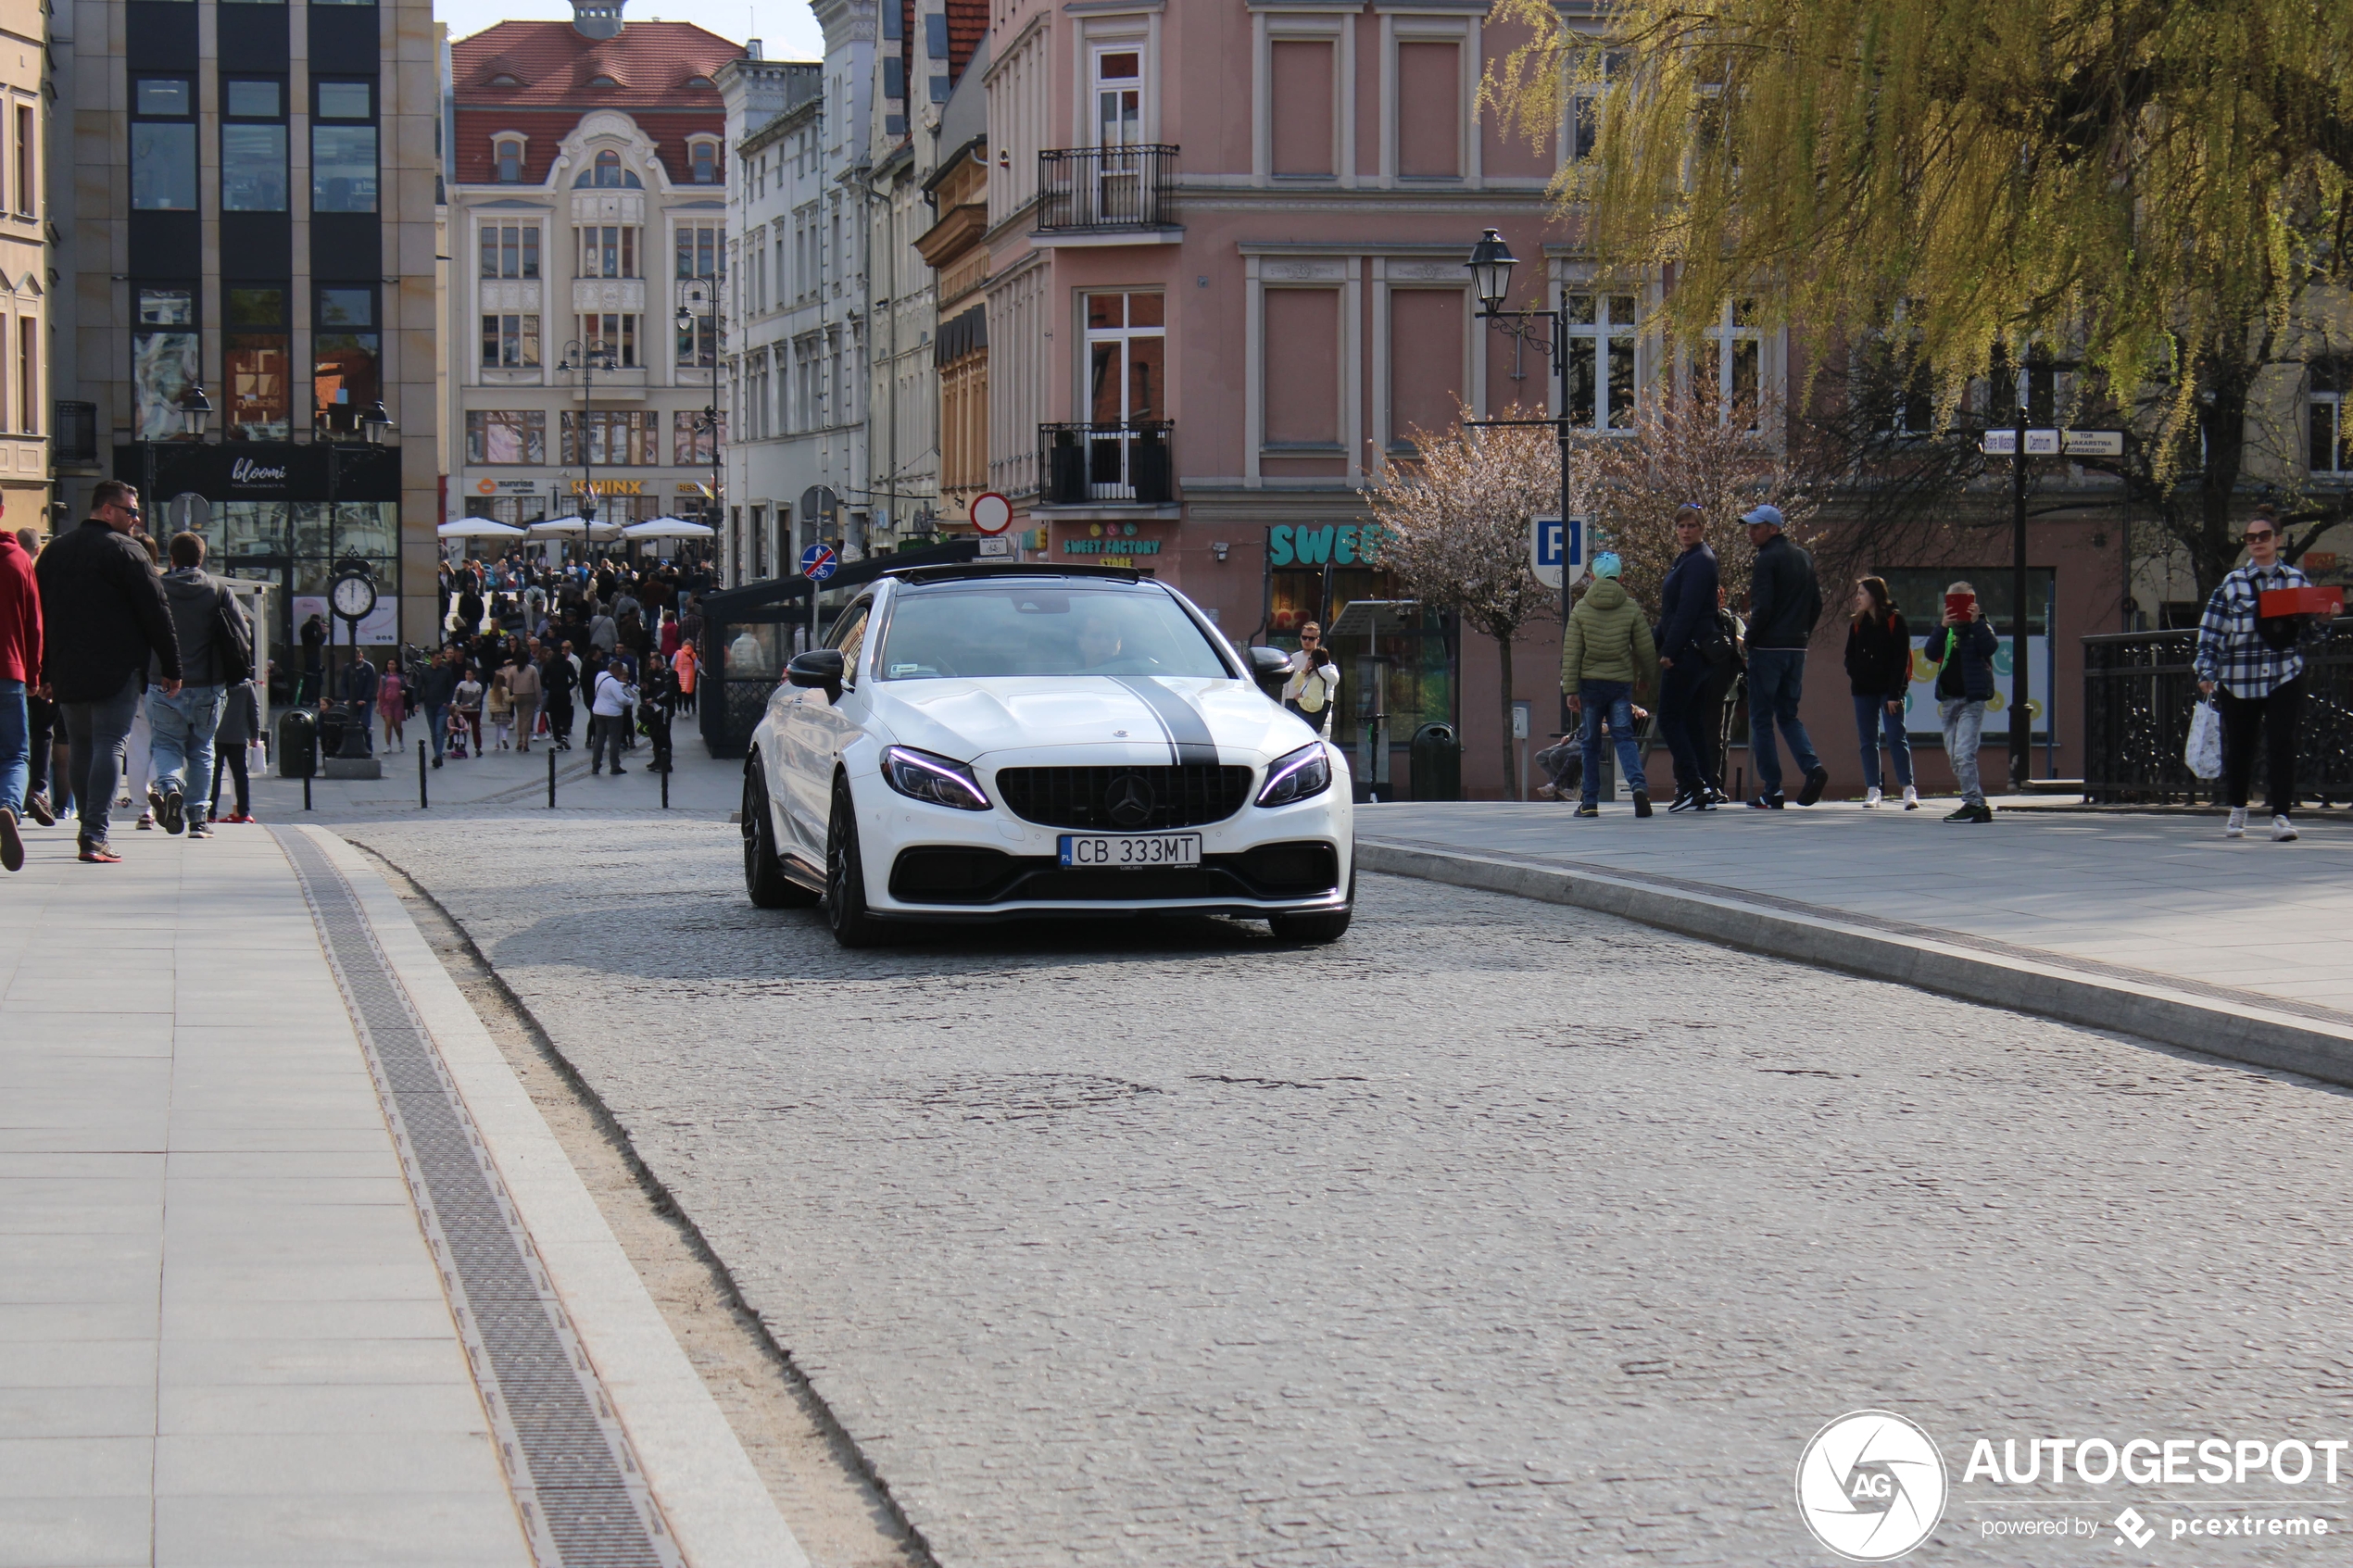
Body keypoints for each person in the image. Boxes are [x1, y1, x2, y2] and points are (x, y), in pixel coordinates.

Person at [34, 480, 182, 862]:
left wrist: (45, 668)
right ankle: (95, 834)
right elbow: (156, 612)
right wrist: (171, 665)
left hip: (67, 667)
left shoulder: (54, 553)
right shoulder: (128, 552)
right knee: (109, 744)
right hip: (116, 668)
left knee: (82, 745)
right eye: (131, 511)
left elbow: (40, 616)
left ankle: (89, 827)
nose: (136, 519)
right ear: (107, 510)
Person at [2195, 504, 2323, 841]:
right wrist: (2206, 669)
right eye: (2250, 537)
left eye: (2263, 536)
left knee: (2283, 742)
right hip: (2239, 677)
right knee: (2240, 745)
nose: (2256, 542)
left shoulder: (2296, 581)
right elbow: (2212, 630)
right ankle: (2238, 809)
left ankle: (2281, 816)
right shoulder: (2232, 583)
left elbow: (2307, 636)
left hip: (2284, 673)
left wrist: (2324, 620)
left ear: (2277, 540)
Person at [144, 532, 247, 839]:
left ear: (171, 559)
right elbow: (242, 636)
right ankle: (199, 820)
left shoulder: (156, 589)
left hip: (161, 683)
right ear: (201, 558)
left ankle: (171, 786)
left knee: (165, 744)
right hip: (208, 685)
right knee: (202, 749)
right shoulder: (217, 591)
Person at [1741, 504, 1828, 809]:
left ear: (1773, 529)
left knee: (1761, 719)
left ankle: (1772, 790)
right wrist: (1801, 633)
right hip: (1796, 648)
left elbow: (1762, 607)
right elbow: (1816, 603)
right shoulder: (1803, 557)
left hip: (1767, 650)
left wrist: (1749, 639)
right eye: (1750, 526)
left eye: (1757, 526)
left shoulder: (1767, 559)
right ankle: (1812, 768)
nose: (1750, 531)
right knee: (1788, 715)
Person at [1559, 552, 1657, 817]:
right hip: (1620, 684)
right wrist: (1648, 678)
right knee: (1624, 737)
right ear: (1621, 578)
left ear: (1591, 578)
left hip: (1591, 685)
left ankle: (1590, 801)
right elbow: (1646, 648)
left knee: (1590, 743)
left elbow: (1572, 652)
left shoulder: (1581, 608)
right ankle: (1638, 786)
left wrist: (1570, 690)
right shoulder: (1630, 607)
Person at [1652, 504, 1723, 811]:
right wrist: (1649, 645)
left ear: (1702, 528)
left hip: (1689, 652)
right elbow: (1669, 615)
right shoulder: (1686, 559)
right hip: (1692, 650)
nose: (1685, 531)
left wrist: (1669, 651)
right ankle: (1705, 785)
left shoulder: (1699, 561)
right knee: (1692, 721)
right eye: (1681, 525)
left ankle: (1694, 785)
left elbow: (1686, 612)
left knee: (1668, 719)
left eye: (1692, 525)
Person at [1915, 581, 1999, 823]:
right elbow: (1931, 653)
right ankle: (1977, 805)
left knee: (1964, 753)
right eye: (1952, 603)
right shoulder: (1947, 630)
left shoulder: (1980, 626)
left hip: (1972, 700)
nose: (1958, 609)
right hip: (1950, 701)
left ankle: (1974, 803)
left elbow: (1990, 647)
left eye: (1964, 603)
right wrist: (1943, 626)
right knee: (1955, 756)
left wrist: (1976, 622)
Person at [1843, 575, 1918, 809]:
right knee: (1868, 740)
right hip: (1864, 690)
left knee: (1896, 737)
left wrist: (1895, 693)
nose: (1857, 598)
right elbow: (1849, 657)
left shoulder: (1896, 620)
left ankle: (1908, 789)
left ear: (1874, 595)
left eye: (1862, 593)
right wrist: (1858, 674)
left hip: (1889, 691)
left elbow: (1900, 659)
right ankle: (1873, 790)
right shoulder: (1857, 624)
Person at [0, 512, 39, 869]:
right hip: (9, 672)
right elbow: (33, 623)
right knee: (14, 756)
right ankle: (9, 807)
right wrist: (34, 674)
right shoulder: (18, 560)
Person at [1688, 585, 1745, 806]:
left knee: (1716, 739)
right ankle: (1705, 784)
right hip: (1716, 688)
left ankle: (1712, 784)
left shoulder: (1727, 621)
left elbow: (1739, 655)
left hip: (1721, 689)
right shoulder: (1697, 619)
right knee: (1715, 739)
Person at [209, 671, 261, 824]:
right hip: (238, 736)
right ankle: (243, 812)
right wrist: (254, 734)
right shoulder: (246, 685)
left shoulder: (215, 682)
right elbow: (253, 709)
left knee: (213, 776)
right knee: (240, 776)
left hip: (215, 735)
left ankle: (210, 813)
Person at [1280, 621, 1340, 736]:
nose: (1307, 641)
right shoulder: (1293, 658)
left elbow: (1330, 688)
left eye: (1311, 638)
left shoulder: (1324, 662)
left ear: (1317, 640)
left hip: (1315, 712)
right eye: (1304, 637)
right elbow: (1286, 687)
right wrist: (1284, 710)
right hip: (1293, 707)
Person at [418, 646, 459, 768]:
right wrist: (416, 702)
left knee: (439, 731)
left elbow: (451, 687)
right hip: (429, 705)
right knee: (433, 732)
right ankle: (438, 752)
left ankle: (438, 756)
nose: (440, 660)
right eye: (437, 658)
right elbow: (418, 686)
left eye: (441, 658)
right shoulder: (425, 671)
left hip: (442, 706)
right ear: (431, 659)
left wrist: (447, 701)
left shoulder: (446, 671)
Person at [589, 656, 631, 774]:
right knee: (614, 740)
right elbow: (621, 699)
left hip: (598, 711)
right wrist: (631, 701)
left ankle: (595, 765)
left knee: (599, 740)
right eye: (620, 672)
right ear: (617, 670)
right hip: (613, 714)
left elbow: (605, 690)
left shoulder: (600, 676)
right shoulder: (613, 682)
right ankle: (615, 766)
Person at [544, 640, 579, 750]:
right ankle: (564, 734)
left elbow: (542, 680)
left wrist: (549, 687)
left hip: (553, 694)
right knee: (566, 714)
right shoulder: (567, 664)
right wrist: (567, 687)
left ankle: (558, 740)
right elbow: (575, 679)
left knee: (554, 717)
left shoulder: (548, 664)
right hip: (564, 693)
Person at [341, 650, 380, 746]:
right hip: (351, 701)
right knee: (349, 724)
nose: (355, 659)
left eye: (357, 656)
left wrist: (365, 699)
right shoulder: (347, 668)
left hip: (365, 701)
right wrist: (346, 698)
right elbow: (343, 684)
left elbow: (370, 685)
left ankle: (368, 747)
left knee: (365, 725)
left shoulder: (368, 668)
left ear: (361, 655)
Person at [509, 648, 542, 751]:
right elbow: (537, 685)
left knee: (520, 717)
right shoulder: (532, 669)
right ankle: (525, 741)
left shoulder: (513, 669)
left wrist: (514, 690)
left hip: (517, 695)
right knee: (528, 718)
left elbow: (508, 685)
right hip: (530, 695)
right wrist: (539, 699)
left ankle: (519, 739)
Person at [452, 663, 484, 755]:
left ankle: (478, 747)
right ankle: (461, 745)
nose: (468, 676)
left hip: (474, 711)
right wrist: (454, 702)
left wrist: (470, 705)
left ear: (474, 675)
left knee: (475, 730)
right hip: (463, 711)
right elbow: (457, 693)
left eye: (470, 674)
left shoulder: (478, 686)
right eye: (466, 674)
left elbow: (477, 698)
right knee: (462, 729)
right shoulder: (462, 684)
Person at [298, 612, 326, 707]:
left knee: (308, 676)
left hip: (306, 653)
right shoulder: (315, 627)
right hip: (314, 654)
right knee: (315, 676)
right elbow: (320, 640)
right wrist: (325, 633)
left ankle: (303, 698)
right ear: (317, 620)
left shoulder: (304, 627)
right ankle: (313, 698)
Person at [377, 656, 406, 748]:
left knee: (397, 725)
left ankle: (400, 740)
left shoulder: (401, 676)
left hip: (398, 703)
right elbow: (380, 690)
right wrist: (378, 705)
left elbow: (406, 687)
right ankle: (388, 745)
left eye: (392, 664)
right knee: (388, 723)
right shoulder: (384, 677)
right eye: (389, 664)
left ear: (396, 665)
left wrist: (404, 692)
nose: (390, 666)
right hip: (386, 702)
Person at [672, 638, 698, 716]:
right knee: (687, 694)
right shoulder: (693, 654)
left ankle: (679, 710)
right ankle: (686, 710)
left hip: (679, 676)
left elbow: (672, 663)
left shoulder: (678, 653)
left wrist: (675, 670)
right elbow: (696, 666)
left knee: (679, 693)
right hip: (689, 677)